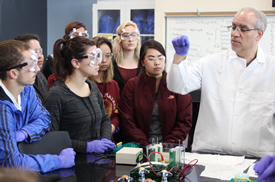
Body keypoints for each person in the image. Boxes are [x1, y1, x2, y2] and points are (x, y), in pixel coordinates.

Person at [167, 7, 275, 158]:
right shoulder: (210, 63)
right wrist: (179, 56)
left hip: (258, 158)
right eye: (233, 27)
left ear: (259, 34)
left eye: (243, 29)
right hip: (210, 155)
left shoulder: (272, 69)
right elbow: (177, 86)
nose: (235, 33)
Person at [0, 40, 75, 173]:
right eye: (31, 65)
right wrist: (58, 161)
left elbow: (44, 118)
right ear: (13, 73)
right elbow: (12, 163)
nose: (38, 69)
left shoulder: (26, 89)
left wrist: (25, 132)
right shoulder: (2, 108)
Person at [44, 36, 116, 154]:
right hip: (71, 165)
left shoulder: (92, 87)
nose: (98, 62)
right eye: (92, 58)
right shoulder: (56, 95)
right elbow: (52, 138)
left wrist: (105, 138)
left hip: (97, 162)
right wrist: (87, 146)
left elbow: (104, 118)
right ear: (76, 63)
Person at [119, 40, 193, 146]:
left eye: (160, 57)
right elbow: (127, 121)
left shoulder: (177, 84)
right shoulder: (132, 85)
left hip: (170, 149)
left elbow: (184, 121)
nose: (157, 62)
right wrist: (145, 145)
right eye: (151, 58)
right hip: (139, 147)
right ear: (142, 62)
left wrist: (167, 145)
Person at [89, 36, 120, 135]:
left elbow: (116, 113)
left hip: (108, 137)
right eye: (100, 56)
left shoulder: (113, 85)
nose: (104, 60)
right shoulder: (85, 85)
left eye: (108, 55)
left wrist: (111, 128)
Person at [47, 21, 89, 89]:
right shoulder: (55, 79)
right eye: (76, 34)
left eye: (83, 35)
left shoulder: (90, 78)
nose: (80, 38)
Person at [14, 34, 48, 103]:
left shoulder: (41, 77)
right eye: (34, 52)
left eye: (40, 51)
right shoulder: (18, 82)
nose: (39, 56)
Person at [113, 21, 143, 95]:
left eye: (134, 35)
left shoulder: (143, 63)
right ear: (120, 38)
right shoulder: (112, 63)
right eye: (126, 35)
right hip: (117, 104)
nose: (130, 39)